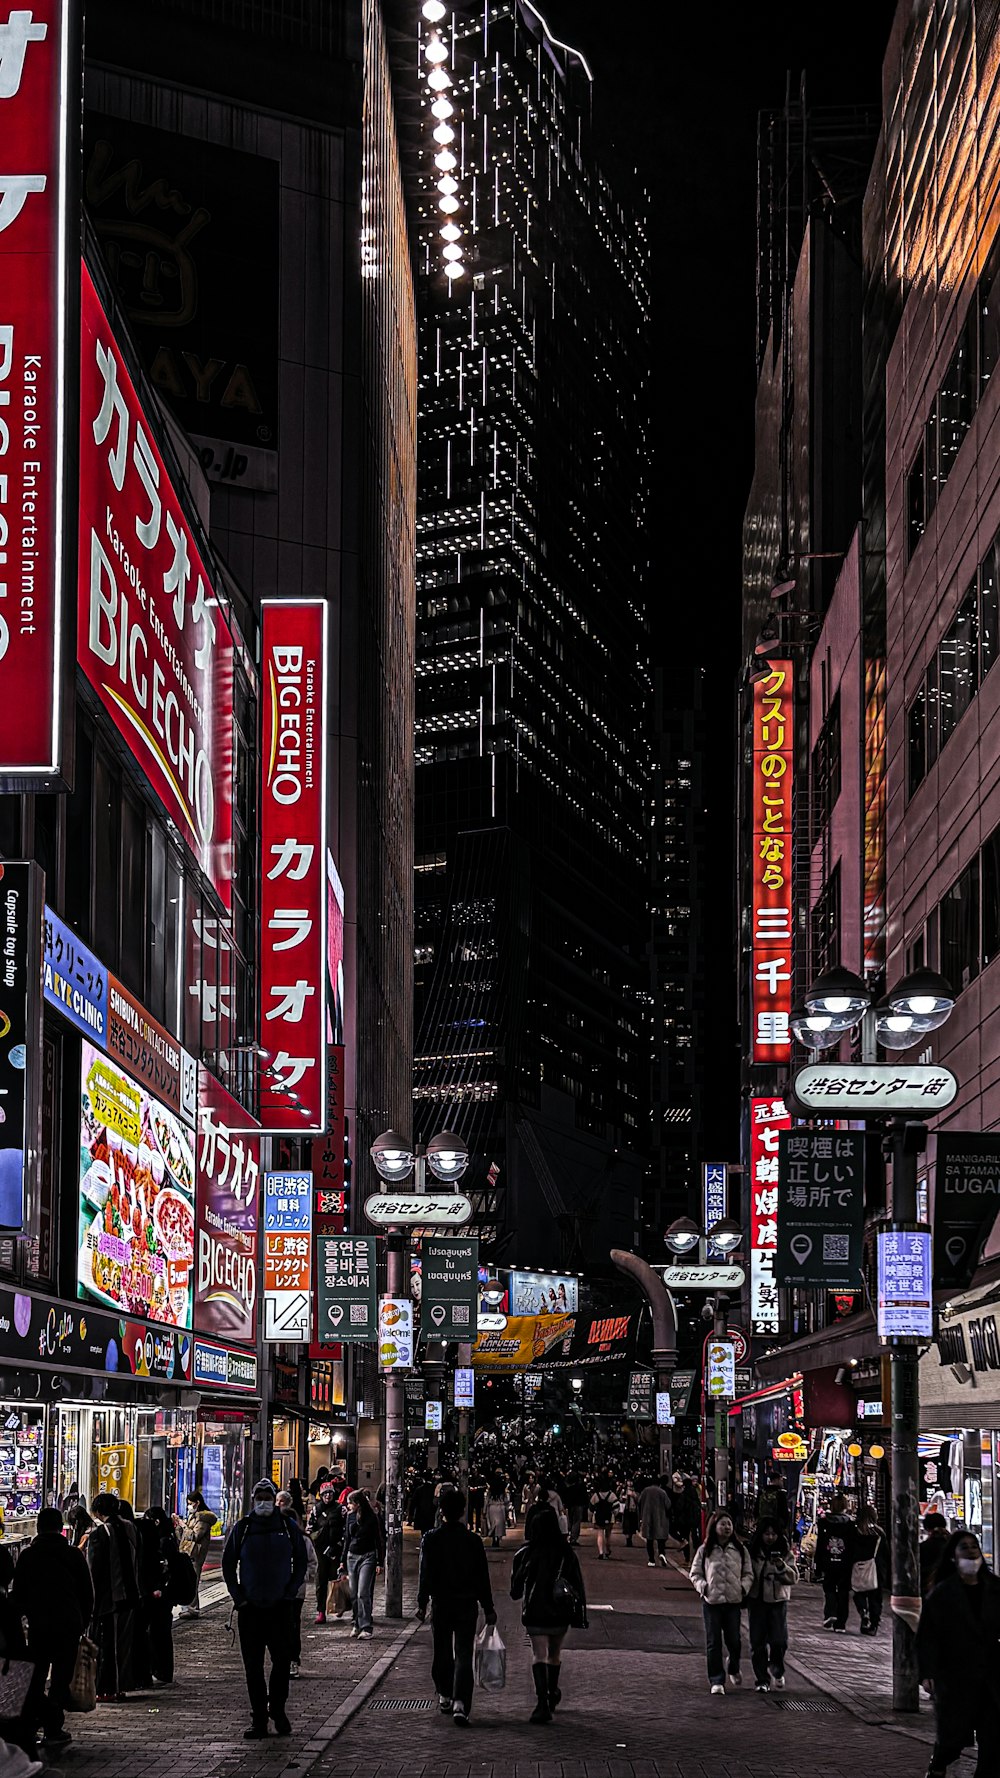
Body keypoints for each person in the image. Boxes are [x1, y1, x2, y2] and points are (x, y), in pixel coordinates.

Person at [222, 1476, 307, 1740]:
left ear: (275, 1501)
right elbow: (227, 1564)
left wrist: (289, 1593)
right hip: (250, 1610)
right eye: (259, 1499)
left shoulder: (287, 1525)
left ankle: (278, 1709)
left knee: (282, 1662)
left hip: (280, 1608)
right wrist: (239, 1597)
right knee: (253, 1667)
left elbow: (301, 1561)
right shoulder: (243, 1528)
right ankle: (259, 1717)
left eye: (267, 1499)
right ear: (252, 1501)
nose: (263, 1503)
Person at [917, 1529, 1000, 1776]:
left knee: (993, 1743)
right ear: (953, 1556)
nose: (971, 1551)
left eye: (974, 1546)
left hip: (991, 1678)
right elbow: (928, 1636)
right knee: (953, 1739)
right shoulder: (943, 1594)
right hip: (956, 1678)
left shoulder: (994, 1588)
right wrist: (928, 1672)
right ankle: (938, 1765)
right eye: (964, 1547)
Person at [13, 1506, 93, 1748]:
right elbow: (87, 1594)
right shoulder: (73, 1555)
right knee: (60, 1679)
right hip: (68, 1625)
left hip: (39, 1626)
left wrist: (22, 1620)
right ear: (60, 1528)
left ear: (38, 1527)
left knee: (36, 1679)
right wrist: (83, 1622)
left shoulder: (28, 1556)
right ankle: (53, 1727)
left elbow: (19, 1594)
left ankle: (34, 1723)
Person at [416, 1489, 496, 1726]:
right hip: (466, 1603)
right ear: (462, 1512)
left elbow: (425, 1574)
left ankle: (444, 1694)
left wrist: (422, 1602)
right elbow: (482, 1576)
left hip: (441, 1602)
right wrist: (488, 1606)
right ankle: (461, 1702)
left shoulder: (431, 1539)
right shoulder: (473, 1541)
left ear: (441, 1511)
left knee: (442, 1650)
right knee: (463, 1653)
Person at [510, 1503, 587, 1724]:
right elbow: (577, 1585)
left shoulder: (525, 1554)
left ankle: (542, 1702)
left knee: (538, 1654)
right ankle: (552, 1693)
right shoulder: (566, 1554)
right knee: (554, 1653)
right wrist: (579, 1613)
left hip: (535, 1611)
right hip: (560, 1611)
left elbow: (515, 1590)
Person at [690, 1511, 753, 1695]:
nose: (726, 1527)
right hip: (712, 1602)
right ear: (714, 1526)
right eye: (723, 1524)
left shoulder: (740, 1549)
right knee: (713, 1641)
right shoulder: (706, 1549)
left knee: (734, 1640)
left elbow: (748, 1573)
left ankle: (733, 1666)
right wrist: (703, 1587)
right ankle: (716, 1679)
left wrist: (743, 1588)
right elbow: (695, 1573)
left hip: (733, 1601)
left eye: (729, 1524)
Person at [87, 1492, 140, 1702]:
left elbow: (94, 1571)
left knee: (106, 1644)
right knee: (124, 1644)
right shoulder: (131, 1528)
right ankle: (121, 1686)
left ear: (99, 1512)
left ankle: (106, 1689)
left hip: (109, 1598)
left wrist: (91, 1602)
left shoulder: (100, 1534)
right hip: (132, 1594)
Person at [746, 1520, 797, 1692]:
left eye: (773, 1534)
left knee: (779, 1640)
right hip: (757, 1601)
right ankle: (762, 1679)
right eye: (766, 1533)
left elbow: (793, 1578)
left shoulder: (785, 1552)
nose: (770, 1537)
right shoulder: (752, 1552)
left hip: (777, 1601)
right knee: (757, 1642)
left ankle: (777, 1667)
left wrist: (781, 1566)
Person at [277, 1489, 317, 1677]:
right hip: (278, 1588)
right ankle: (283, 1659)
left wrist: (303, 1577)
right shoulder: (276, 1539)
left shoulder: (302, 1540)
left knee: (292, 1624)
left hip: (296, 1590)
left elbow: (312, 1562)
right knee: (280, 1625)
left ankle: (293, 1660)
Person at [139, 1506, 179, 1685]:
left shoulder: (162, 1542)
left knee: (158, 1633)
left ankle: (161, 1671)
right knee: (161, 1633)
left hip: (160, 1594)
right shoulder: (169, 1537)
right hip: (165, 1594)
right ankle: (162, 1671)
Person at [339, 1489, 384, 1640]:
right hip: (352, 1556)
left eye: (350, 1503)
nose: (348, 1505)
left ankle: (366, 1626)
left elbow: (378, 1539)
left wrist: (380, 1561)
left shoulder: (372, 1518)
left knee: (362, 1592)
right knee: (353, 1594)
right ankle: (356, 1623)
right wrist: (342, 1559)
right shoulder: (349, 1517)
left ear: (358, 1504)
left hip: (368, 1556)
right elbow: (347, 1538)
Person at [814, 1493, 854, 1631]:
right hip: (845, 1563)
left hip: (828, 1561)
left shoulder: (824, 1522)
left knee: (829, 1588)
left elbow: (820, 1545)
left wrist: (817, 1565)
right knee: (843, 1591)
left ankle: (830, 1613)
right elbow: (852, 1546)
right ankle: (841, 1623)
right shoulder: (850, 1524)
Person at [308, 1479, 345, 1624]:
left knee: (337, 1579)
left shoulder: (341, 1509)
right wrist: (314, 1540)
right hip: (320, 1550)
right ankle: (321, 1611)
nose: (328, 1496)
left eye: (330, 1493)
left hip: (336, 1548)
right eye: (325, 1494)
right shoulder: (316, 1509)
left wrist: (340, 1544)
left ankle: (340, 1606)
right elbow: (309, 1528)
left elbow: (346, 1528)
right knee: (320, 1581)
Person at [177, 1489, 216, 1617]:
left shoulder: (203, 1518)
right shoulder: (193, 1517)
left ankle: (192, 1609)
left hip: (196, 1553)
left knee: (193, 1579)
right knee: (189, 1579)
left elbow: (195, 1536)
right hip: (189, 1552)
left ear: (197, 1503)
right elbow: (184, 1536)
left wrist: (183, 1525)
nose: (189, 1506)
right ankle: (189, 1608)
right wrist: (178, 1525)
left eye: (190, 1503)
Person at [851, 1503, 887, 1635]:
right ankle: (874, 1624)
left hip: (858, 1567)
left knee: (859, 1593)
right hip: (876, 1568)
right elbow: (886, 1553)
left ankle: (863, 1611)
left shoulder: (856, 1531)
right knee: (876, 1597)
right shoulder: (879, 1533)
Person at [638, 1476, 671, 1568]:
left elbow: (639, 1502)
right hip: (660, 1518)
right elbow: (668, 1505)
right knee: (661, 1539)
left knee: (649, 1540)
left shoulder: (645, 1491)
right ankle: (661, 1553)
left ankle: (651, 1560)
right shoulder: (662, 1492)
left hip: (647, 1518)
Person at [921, 1511, 951, 1596]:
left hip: (928, 1590)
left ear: (927, 1528)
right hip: (950, 1590)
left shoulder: (923, 1547)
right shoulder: (953, 1545)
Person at [589, 1475, 619, 1560]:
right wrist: (615, 1514)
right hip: (609, 1517)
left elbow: (591, 1507)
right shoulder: (611, 1495)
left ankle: (601, 1552)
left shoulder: (596, 1495)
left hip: (598, 1516)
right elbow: (616, 1507)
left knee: (600, 1534)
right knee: (608, 1535)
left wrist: (590, 1517)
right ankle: (608, 1550)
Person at [485, 1478, 509, 1548]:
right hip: (500, 1508)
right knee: (499, 1526)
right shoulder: (502, 1491)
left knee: (493, 1524)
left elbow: (486, 1500)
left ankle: (493, 1539)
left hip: (492, 1507)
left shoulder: (490, 1491)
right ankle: (498, 1539)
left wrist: (484, 1510)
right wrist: (507, 1509)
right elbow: (506, 1500)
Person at [621, 1482, 639, 1548]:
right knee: (626, 1526)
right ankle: (628, 1539)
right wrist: (623, 1497)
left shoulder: (635, 1492)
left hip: (633, 1510)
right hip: (626, 1509)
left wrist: (633, 1495)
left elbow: (638, 1500)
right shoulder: (623, 1491)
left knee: (631, 1526)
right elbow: (620, 1499)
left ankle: (630, 1539)